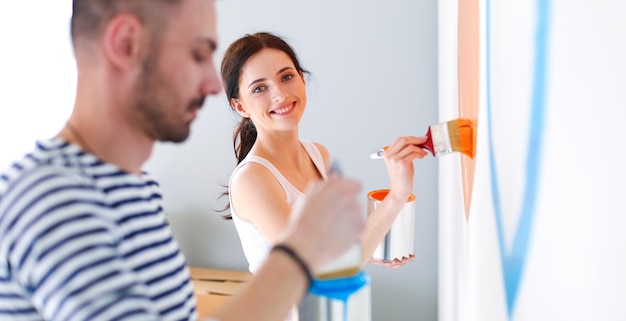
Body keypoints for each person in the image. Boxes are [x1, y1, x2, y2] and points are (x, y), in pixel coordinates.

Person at [0, 1, 366, 321]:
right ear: (125, 44)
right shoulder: (51, 197)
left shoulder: (137, 190)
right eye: (196, 54)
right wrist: (297, 252)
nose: (210, 85)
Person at [220, 32, 429, 321]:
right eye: (259, 88)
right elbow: (315, 267)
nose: (280, 94)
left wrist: (373, 247)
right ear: (239, 105)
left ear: (302, 79)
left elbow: (331, 248)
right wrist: (396, 196)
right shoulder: (253, 179)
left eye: (286, 77)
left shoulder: (318, 155)